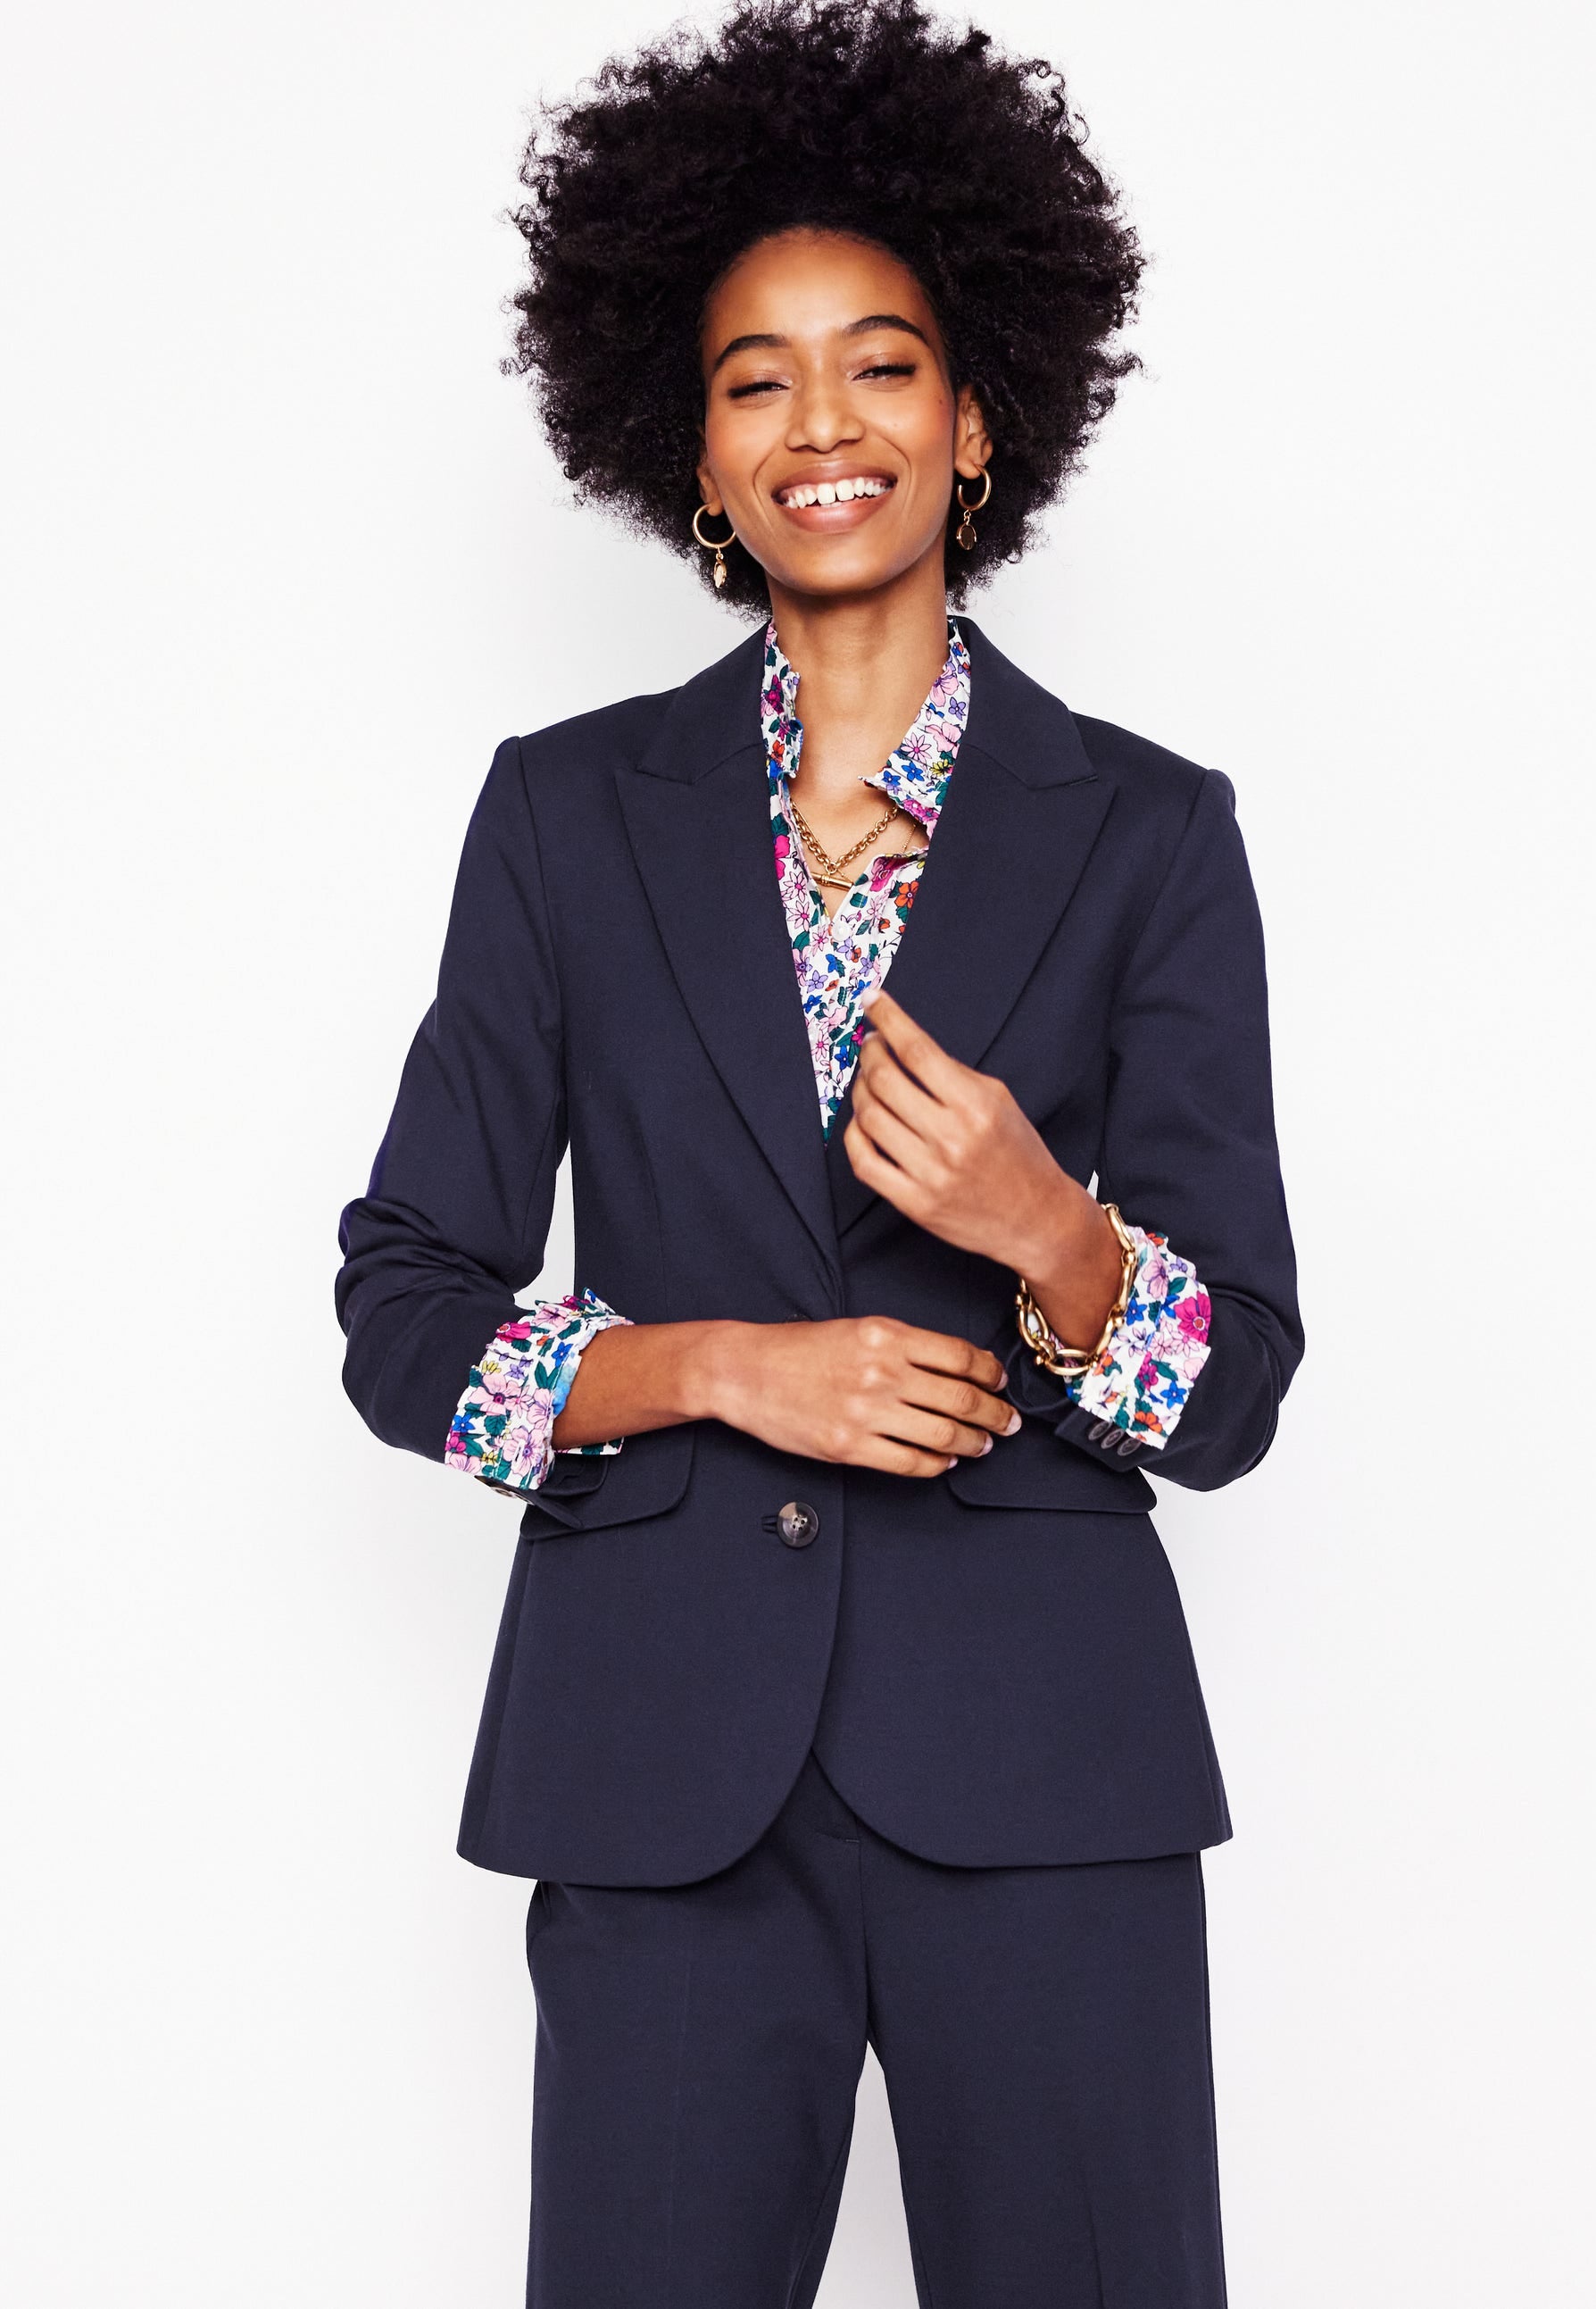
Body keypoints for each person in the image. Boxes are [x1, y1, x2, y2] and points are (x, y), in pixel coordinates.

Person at [335, 3, 1302, 2301]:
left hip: (1046, 1768)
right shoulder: (564, 815)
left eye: (880, 366)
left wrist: (1050, 1234)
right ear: (693, 451)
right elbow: (402, 1307)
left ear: (975, 422)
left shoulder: (1151, 834)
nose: (822, 425)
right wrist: (715, 1369)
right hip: (660, 1770)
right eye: (755, 381)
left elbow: (1236, 1393)